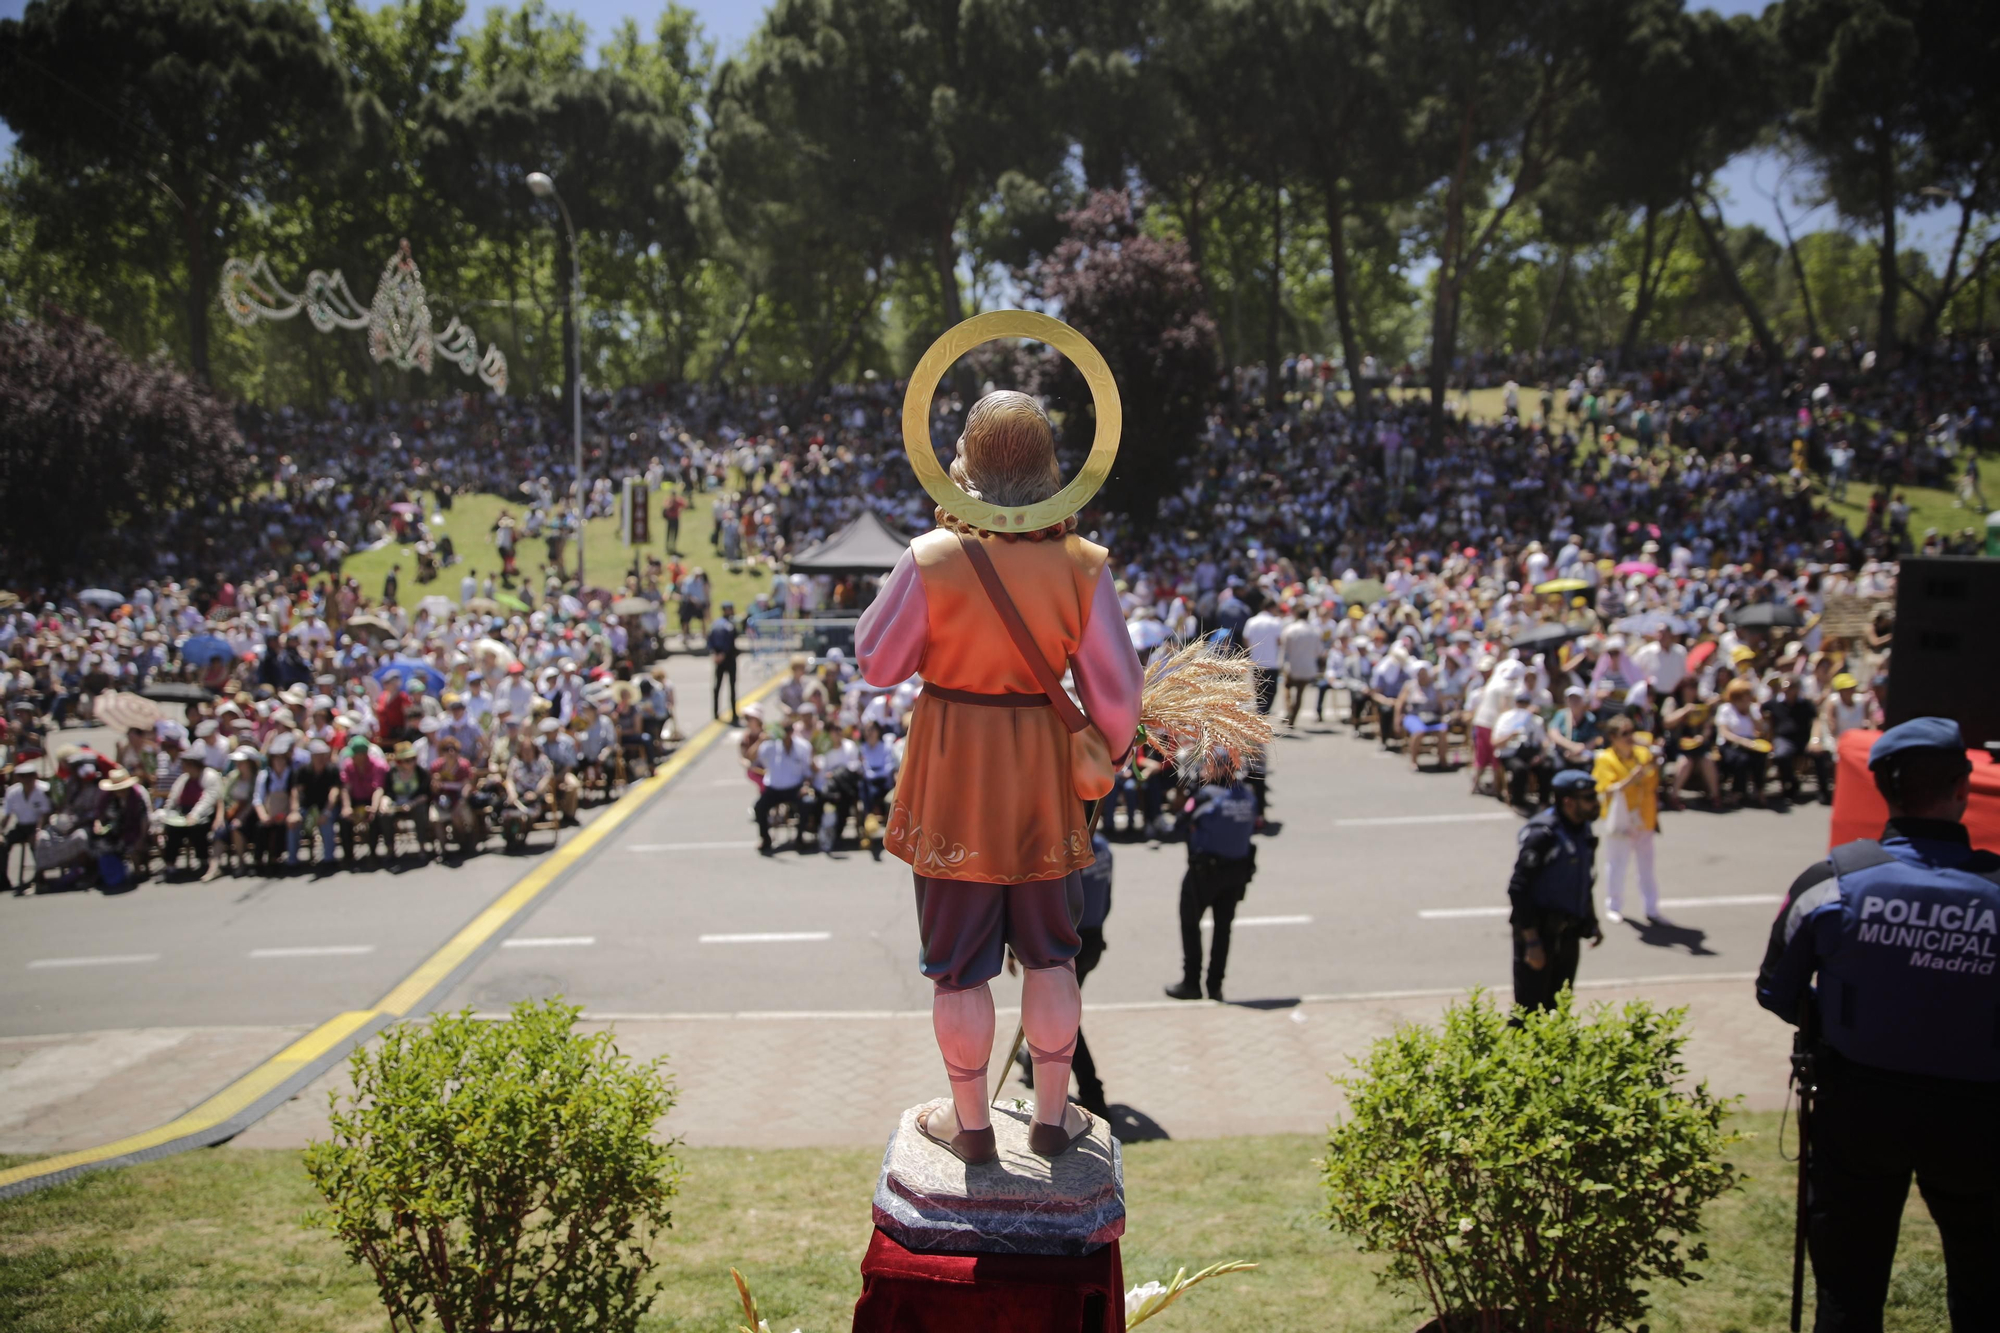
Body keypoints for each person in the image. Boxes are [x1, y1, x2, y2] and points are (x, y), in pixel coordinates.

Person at [855, 388, 1143, 1166]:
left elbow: (877, 661)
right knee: (1053, 950)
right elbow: (1118, 697)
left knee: (956, 962)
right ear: (1052, 470)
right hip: (1046, 771)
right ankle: (1053, 1117)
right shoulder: (1083, 564)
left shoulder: (931, 557)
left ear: (964, 464)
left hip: (953, 766)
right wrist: (1103, 762)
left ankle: (971, 1123)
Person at [1756, 717, 2000, 1332]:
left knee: (1847, 1294)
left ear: (1885, 790)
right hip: (1978, 1120)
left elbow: (1776, 991)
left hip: (1857, 1111)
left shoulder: (1830, 882)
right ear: (1961, 787)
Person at [1165, 749, 1257, 1003]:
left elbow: (1178, 825)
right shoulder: (1248, 795)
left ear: (1220, 768)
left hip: (1204, 873)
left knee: (1190, 923)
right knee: (1223, 930)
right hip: (1237, 872)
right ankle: (1215, 986)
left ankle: (1191, 983)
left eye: (1208, 765)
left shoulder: (1206, 796)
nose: (1204, 769)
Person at [1508, 768, 1603, 1012]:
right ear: (1569, 802)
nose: (1596, 803)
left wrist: (1591, 919)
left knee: (1559, 1009)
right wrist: (1532, 943)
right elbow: (1518, 888)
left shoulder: (1582, 829)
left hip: (1568, 933)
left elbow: (1583, 880)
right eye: (1589, 798)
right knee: (1529, 1014)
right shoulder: (1544, 835)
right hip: (1539, 936)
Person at [1593, 715, 1662, 925]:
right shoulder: (1605, 758)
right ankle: (1613, 906)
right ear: (1613, 737)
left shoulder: (1642, 754)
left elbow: (1653, 777)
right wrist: (1632, 778)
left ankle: (1651, 908)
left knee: (1647, 867)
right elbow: (1608, 790)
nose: (1630, 738)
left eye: (1632, 732)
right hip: (1620, 820)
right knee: (1617, 864)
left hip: (1644, 818)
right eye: (1625, 734)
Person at [752, 717, 815, 855]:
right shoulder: (769, 746)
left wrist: (806, 786)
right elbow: (752, 758)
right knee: (759, 808)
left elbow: (808, 772)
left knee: (807, 803)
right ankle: (765, 838)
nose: (787, 734)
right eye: (784, 730)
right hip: (774, 789)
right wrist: (761, 740)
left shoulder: (803, 747)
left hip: (794, 788)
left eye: (789, 730)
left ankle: (799, 838)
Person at [1242, 598, 1284, 715]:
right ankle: (1263, 713)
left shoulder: (1252, 621)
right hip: (1272, 663)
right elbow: (1279, 641)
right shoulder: (1276, 622)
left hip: (1256, 661)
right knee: (1271, 691)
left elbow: (1246, 640)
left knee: (1258, 691)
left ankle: (1260, 713)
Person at [708, 601, 740, 723]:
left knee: (719, 686)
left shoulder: (716, 623)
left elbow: (709, 640)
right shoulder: (729, 624)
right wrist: (723, 654)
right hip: (728, 658)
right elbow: (731, 641)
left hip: (719, 658)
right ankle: (733, 715)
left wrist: (715, 654)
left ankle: (716, 713)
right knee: (730, 687)